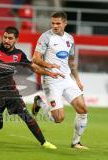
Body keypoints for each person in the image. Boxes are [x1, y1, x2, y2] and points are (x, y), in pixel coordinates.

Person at [0, 26, 64, 149]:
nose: (6, 40)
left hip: (11, 92)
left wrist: (49, 73)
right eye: (5, 37)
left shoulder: (19, 55)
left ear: (16, 40)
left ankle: (44, 142)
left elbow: (33, 67)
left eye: (10, 38)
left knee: (26, 116)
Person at [31, 11, 88, 149]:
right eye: (53, 23)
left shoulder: (70, 39)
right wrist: (48, 65)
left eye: (58, 23)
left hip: (67, 78)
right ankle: (39, 102)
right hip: (51, 80)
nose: (55, 26)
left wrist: (78, 80)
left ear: (65, 23)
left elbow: (71, 61)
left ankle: (76, 142)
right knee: (58, 119)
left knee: (83, 109)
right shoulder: (46, 37)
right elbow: (35, 59)